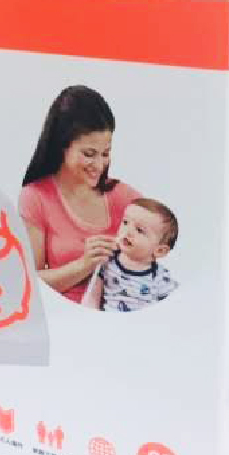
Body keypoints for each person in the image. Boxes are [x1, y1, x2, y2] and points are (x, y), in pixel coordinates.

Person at [18, 85, 140, 305]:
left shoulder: (124, 197)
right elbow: (28, 283)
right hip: (65, 317)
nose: (99, 165)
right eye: (89, 154)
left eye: (106, 153)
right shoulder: (35, 198)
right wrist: (84, 265)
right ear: (62, 146)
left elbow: (158, 251)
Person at [82, 197, 179, 311]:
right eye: (125, 222)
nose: (127, 231)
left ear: (160, 251)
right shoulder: (108, 260)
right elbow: (92, 296)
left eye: (139, 230)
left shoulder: (160, 277)